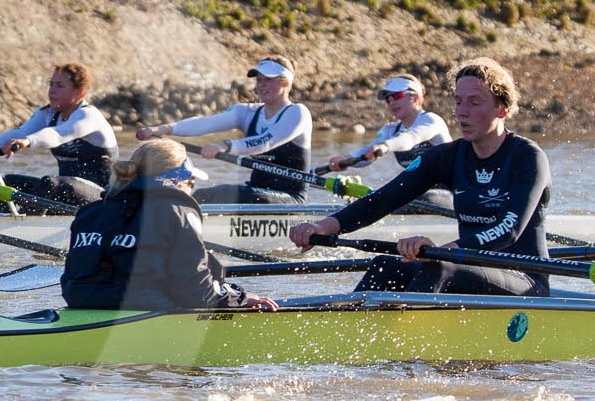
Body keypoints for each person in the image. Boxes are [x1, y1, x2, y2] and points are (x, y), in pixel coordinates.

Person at [287, 57, 551, 296]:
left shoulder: (527, 157)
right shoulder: (449, 156)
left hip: (523, 278)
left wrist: (446, 249)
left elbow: (510, 229)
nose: (461, 111)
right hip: (466, 270)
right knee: (385, 266)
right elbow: (383, 200)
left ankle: (408, 347)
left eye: (474, 102)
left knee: (438, 267)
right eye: (458, 101)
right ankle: (346, 337)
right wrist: (324, 227)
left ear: (502, 110)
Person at [60, 139, 276, 312]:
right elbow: (198, 290)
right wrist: (237, 300)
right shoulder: (177, 210)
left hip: (81, 302)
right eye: (191, 182)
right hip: (146, 309)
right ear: (177, 180)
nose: (192, 189)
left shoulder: (90, 212)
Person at [136, 55, 312, 205]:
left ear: (286, 82)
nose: (261, 85)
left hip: (290, 198)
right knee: (203, 195)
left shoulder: (298, 113)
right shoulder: (247, 112)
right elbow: (205, 123)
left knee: (226, 193)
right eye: (259, 80)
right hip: (256, 192)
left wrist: (225, 145)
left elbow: (265, 142)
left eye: (268, 79)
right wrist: (162, 129)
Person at [0, 62, 118, 211]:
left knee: (52, 184)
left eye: (60, 86)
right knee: (1, 183)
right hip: (66, 195)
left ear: (79, 92)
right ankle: (0, 227)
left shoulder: (88, 116)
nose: (52, 90)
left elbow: (57, 135)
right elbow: (18, 133)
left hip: (102, 198)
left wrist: (28, 141)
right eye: (51, 84)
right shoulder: (47, 114)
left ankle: (25, 228)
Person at [324, 74, 452, 173]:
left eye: (397, 96)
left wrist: (385, 146)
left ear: (415, 97)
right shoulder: (390, 130)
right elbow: (366, 153)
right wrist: (346, 158)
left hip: (451, 190)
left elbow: (411, 138)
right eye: (387, 98)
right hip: (422, 191)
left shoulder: (432, 120)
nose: (391, 102)